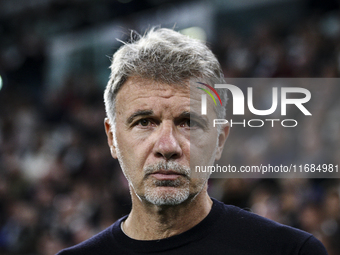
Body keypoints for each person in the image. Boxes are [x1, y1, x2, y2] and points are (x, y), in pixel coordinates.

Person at [56, 28, 328, 254]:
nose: (167, 147)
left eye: (188, 123)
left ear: (220, 140)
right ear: (112, 138)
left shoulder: (291, 251)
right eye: (144, 122)